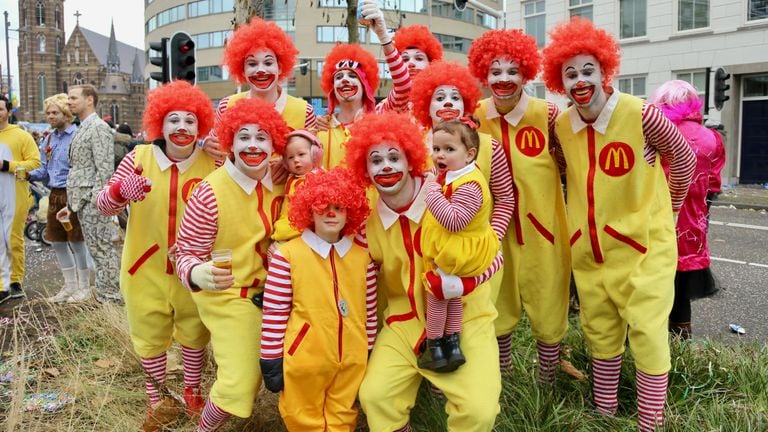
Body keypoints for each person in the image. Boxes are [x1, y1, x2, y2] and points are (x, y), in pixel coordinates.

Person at [541, 17, 696, 431]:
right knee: (600, 329)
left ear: (605, 70)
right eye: (570, 73)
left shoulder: (642, 114)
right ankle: (604, 412)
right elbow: (562, 169)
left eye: (587, 69)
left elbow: (683, 160)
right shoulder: (561, 126)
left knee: (646, 332)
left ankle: (650, 421)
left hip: (644, 249)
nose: (580, 80)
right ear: (560, 80)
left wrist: (669, 212)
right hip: (589, 250)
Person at [346, 111, 503, 432]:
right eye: (376, 160)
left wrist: (465, 284)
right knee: (375, 397)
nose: (386, 166)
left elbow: (493, 256)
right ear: (365, 169)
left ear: (412, 159)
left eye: (394, 156)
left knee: (478, 412)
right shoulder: (366, 220)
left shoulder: (449, 199)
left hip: (465, 321)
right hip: (402, 325)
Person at [94, 81, 217, 429]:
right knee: (149, 337)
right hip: (143, 267)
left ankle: (192, 393)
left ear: (201, 126)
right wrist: (120, 191)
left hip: (193, 270)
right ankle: (158, 399)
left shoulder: (213, 162)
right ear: (159, 124)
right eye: (173, 119)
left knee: (194, 334)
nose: (181, 127)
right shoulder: (139, 157)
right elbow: (103, 205)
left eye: (190, 121)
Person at [175, 97, 289, 432]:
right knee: (239, 382)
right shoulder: (209, 193)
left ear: (274, 144)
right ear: (230, 143)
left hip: (279, 293)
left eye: (261, 137)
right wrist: (199, 273)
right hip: (230, 294)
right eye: (244, 137)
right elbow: (184, 253)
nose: (253, 145)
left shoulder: (282, 179)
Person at [467, 29, 571, 381]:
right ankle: (503, 377)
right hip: (493, 230)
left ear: (526, 73)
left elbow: (571, 162)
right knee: (498, 302)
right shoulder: (474, 118)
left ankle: (548, 379)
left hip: (543, 229)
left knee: (548, 300)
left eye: (512, 71)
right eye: (495, 71)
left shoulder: (548, 114)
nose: (504, 79)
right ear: (484, 74)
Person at [260, 167, 376, 431]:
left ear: (350, 212)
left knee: (343, 414)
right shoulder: (287, 255)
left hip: (351, 358)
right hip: (304, 360)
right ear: (309, 210)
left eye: (339, 207)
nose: (331, 213)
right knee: (301, 416)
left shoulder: (362, 258)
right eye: (323, 206)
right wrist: (271, 357)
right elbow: (275, 312)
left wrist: (367, 348)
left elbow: (369, 311)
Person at [418, 118, 500, 373]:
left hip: (456, 255)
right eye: (437, 149)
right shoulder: (455, 175)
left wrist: (431, 190)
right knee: (453, 298)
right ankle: (452, 345)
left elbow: (454, 221)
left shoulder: (470, 184)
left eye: (449, 149)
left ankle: (435, 346)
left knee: (438, 299)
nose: (440, 155)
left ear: (470, 154)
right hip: (455, 254)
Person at [651, 80, 725, 339]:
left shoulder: (657, 134)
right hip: (693, 224)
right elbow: (714, 184)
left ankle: (655, 346)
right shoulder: (712, 138)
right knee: (683, 287)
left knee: (655, 288)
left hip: (657, 222)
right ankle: (682, 340)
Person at [204, 17, 316, 169]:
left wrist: (287, 164)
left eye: (268, 63)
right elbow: (218, 162)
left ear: (280, 67)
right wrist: (205, 145)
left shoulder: (304, 112)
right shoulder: (227, 106)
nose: (261, 70)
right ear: (242, 70)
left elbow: (313, 162)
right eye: (252, 64)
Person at [56, 84, 121, 304]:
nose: (69, 102)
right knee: (97, 251)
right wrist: (73, 205)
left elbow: (104, 170)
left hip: (93, 202)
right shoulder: (84, 126)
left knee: (102, 251)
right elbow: (81, 169)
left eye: (74, 98)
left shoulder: (98, 128)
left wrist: (96, 200)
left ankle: (110, 298)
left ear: (90, 99)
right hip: (83, 201)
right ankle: (106, 295)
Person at [27, 94, 90, 303]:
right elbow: (44, 169)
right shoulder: (49, 138)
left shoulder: (77, 136)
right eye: (48, 113)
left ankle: (84, 287)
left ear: (66, 113)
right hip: (55, 194)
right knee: (57, 242)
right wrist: (27, 173)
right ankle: (70, 286)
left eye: (55, 112)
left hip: (72, 194)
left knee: (77, 241)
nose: (50, 116)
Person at [0, 94, 41, 303]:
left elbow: (35, 163)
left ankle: (15, 281)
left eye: (0, 109)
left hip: (14, 195)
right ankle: (2, 285)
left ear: (8, 112)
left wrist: (7, 166)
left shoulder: (21, 136)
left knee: (12, 239)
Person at [271, 130, 323, 244]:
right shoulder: (292, 177)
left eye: (301, 154)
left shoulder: (318, 180)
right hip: (286, 228)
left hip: (301, 234)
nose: (296, 160)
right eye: (290, 157)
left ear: (315, 154)